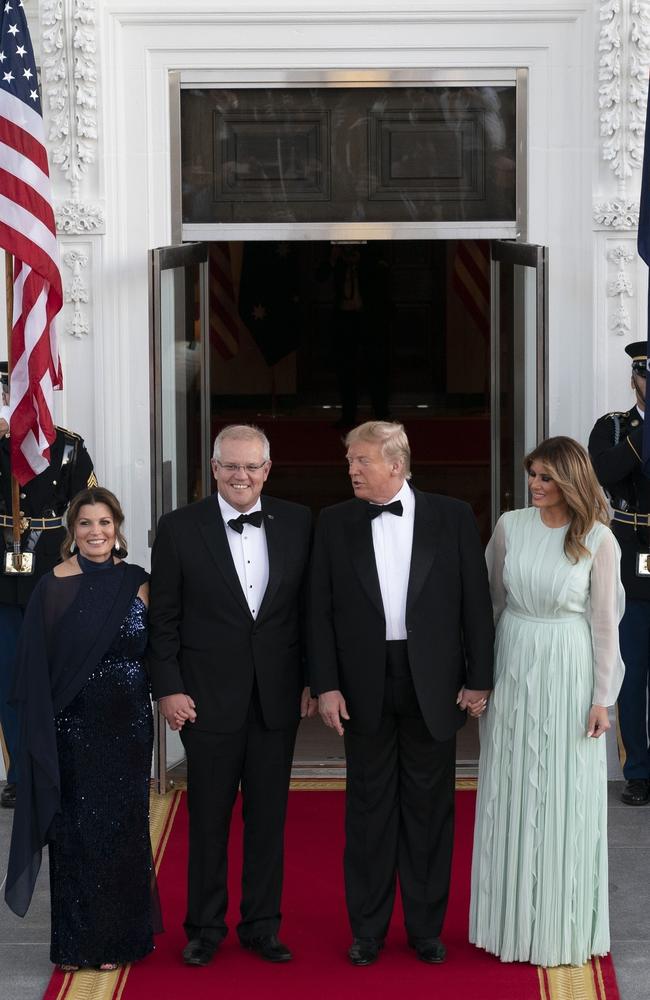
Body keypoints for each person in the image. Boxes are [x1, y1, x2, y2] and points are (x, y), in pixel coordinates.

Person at [309, 420, 494, 967]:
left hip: (433, 683)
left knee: (430, 811)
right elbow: (318, 611)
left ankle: (425, 930)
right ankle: (366, 930)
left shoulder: (452, 515)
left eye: (361, 460)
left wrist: (479, 677)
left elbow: (475, 605)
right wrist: (326, 685)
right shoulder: (335, 521)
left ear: (396, 463)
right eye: (349, 460)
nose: (351, 469)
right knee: (367, 812)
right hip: (362, 682)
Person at [148, 424, 315, 967]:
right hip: (204, 699)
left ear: (267, 469)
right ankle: (204, 928)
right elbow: (164, 619)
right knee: (208, 820)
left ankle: (262, 926)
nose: (241, 476)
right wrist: (168, 688)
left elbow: (309, 612)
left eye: (251, 467)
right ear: (213, 468)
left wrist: (314, 679)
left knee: (268, 820)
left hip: (276, 699)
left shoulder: (297, 521)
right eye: (230, 466)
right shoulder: (178, 529)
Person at [470, 436, 625, 967]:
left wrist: (603, 697)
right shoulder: (510, 527)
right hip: (514, 661)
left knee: (565, 795)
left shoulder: (599, 538)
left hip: (569, 668)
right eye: (532, 475)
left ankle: (562, 925)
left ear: (571, 481)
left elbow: (605, 623)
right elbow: (489, 604)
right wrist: (480, 677)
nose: (535, 485)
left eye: (546, 477)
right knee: (510, 789)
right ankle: (506, 922)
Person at [4, 487, 159, 972]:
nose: (97, 532)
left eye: (105, 523)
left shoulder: (138, 581)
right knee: (74, 835)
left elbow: (157, 649)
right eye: (87, 524)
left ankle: (115, 941)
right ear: (72, 532)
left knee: (120, 831)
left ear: (119, 530)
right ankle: (74, 944)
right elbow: (33, 668)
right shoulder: (51, 585)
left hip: (129, 726)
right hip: (71, 728)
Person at [0, 362, 96, 809]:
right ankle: (21, 771)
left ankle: (64, 765)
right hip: (3, 582)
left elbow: (92, 512)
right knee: (10, 678)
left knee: (61, 675)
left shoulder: (69, 447)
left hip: (57, 574)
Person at [589, 340, 650, 806]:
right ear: (635, 378)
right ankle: (638, 771)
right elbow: (606, 473)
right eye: (646, 376)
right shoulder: (613, 427)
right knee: (632, 673)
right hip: (632, 558)